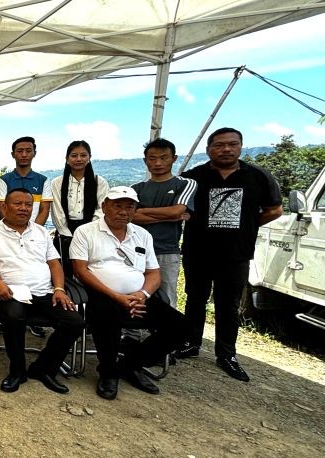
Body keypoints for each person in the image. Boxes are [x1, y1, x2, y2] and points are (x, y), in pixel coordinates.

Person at [179, 127, 282, 382]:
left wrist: (248, 224)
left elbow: (275, 209)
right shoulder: (193, 177)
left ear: (240, 147)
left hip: (236, 254)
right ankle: (191, 343)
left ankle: (226, 354)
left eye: (232, 144)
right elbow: (179, 209)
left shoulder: (257, 176)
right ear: (209, 149)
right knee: (195, 300)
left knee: (229, 306)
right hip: (198, 251)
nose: (226, 149)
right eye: (219, 145)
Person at [70, 186, 190, 400]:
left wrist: (142, 295)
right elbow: (80, 270)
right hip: (101, 294)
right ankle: (108, 372)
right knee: (107, 315)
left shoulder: (142, 235)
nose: (123, 211)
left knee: (181, 327)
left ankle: (130, 364)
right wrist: (116, 297)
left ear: (135, 210)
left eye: (129, 207)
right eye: (117, 205)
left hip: (137, 297)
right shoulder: (86, 231)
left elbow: (154, 273)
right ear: (104, 206)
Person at [0, 188, 84, 394]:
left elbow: (54, 264)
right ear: (5, 207)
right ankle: (17, 371)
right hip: (12, 292)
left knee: (75, 321)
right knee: (14, 317)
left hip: (45, 292)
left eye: (28, 205)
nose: (24, 208)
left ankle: (43, 369)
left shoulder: (42, 232)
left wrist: (59, 289)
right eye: (18, 204)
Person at [131, 138, 196, 308]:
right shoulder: (137, 188)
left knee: (167, 295)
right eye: (152, 158)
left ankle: (168, 333)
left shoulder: (185, 183)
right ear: (146, 161)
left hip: (166, 249)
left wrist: (143, 211)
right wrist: (170, 216)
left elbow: (177, 211)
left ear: (174, 158)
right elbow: (130, 217)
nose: (158, 163)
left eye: (164, 157)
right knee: (133, 290)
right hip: (137, 251)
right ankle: (132, 334)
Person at [42, 140, 110, 273]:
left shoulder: (99, 182)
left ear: (89, 158)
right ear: (67, 159)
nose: (78, 159)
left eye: (83, 155)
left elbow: (102, 210)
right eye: (74, 155)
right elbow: (57, 212)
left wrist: (87, 232)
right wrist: (67, 235)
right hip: (65, 234)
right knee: (65, 270)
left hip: (92, 232)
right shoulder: (57, 183)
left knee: (91, 270)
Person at [0, 136, 50, 225]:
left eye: (28, 151)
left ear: (34, 153)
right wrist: (12, 229)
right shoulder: (3, 180)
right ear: (13, 154)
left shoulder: (43, 180)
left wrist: (34, 231)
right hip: (9, 232)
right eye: (20, 151)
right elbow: (1, 208)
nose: (24, 154)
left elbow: (45, 209)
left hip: (35, 233)